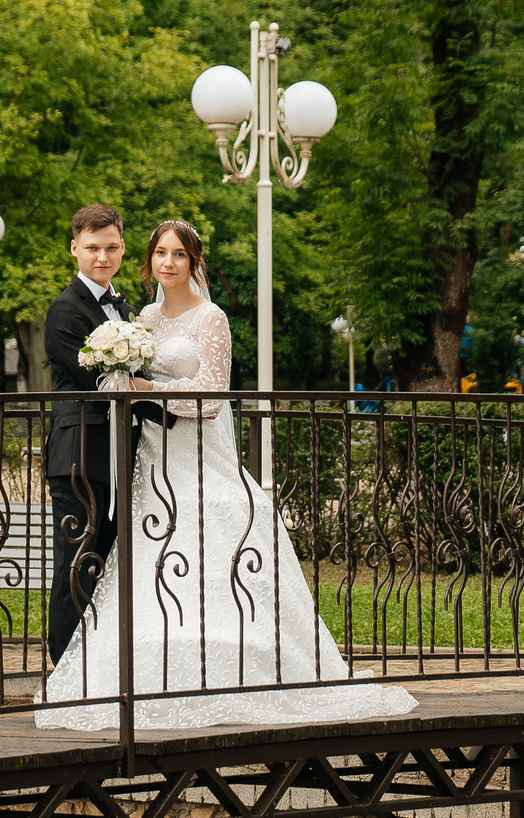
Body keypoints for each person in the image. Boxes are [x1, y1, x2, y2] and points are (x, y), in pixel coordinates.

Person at [36, 218, 416, 731]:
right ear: (147, 259)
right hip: (134, 455)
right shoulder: (136, 315)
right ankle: (91, 675)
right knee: (116, 563)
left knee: (201, 552)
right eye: (161, 254)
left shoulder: (207, 317)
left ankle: (229, 665)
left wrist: (141, 385)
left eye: (179, 255)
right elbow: (96, 376)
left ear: (194, 263)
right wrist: (136, 385)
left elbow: (211, 398)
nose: (168, 262)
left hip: (191, 451)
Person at [43, 205, 163, 664]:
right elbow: (98, 380)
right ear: (75, 249)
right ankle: (65, 667)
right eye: (92, 248)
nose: (102, 256)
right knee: (76, 565)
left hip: (122, 457)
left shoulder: (128, 311)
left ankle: (103, 663)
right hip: (79, 457)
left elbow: (140, 375)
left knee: (110, 567)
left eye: (111, 247)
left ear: (122, 247)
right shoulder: (65, 310)